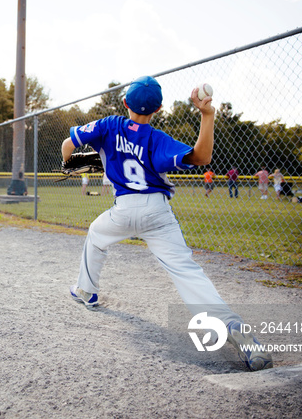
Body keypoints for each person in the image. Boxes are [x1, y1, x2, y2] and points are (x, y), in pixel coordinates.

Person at [61, 76, 272, 371]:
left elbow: (68, 144)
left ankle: (86, 291)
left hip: (122, 210)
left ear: (125, 103)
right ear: (158, 109)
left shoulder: (109, 124)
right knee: (187, 273)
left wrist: (72, 163)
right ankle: (233, 327)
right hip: (157, 214)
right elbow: (202, 156)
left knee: (96, 235)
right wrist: (207, 114)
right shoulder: (157, 139)